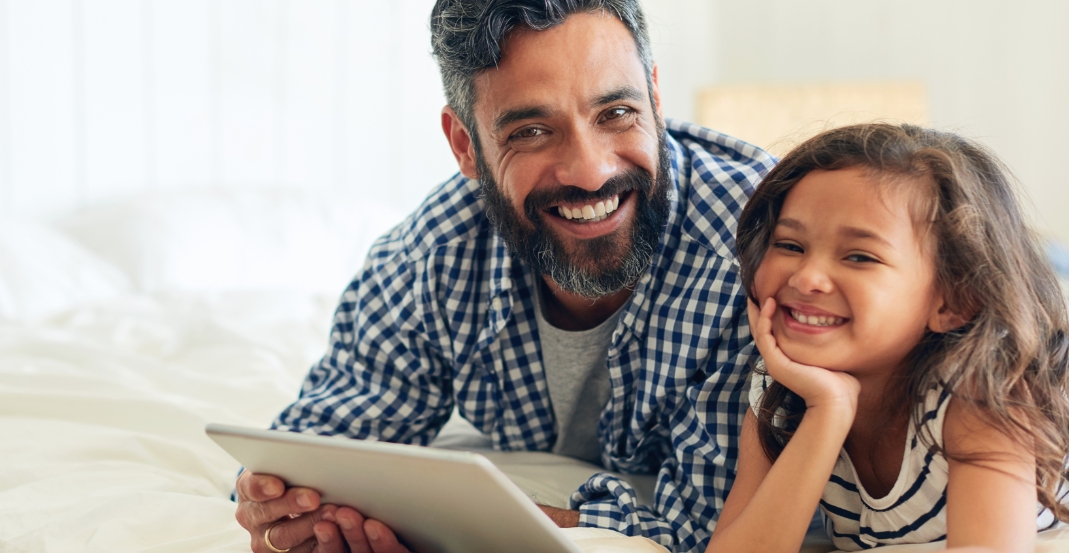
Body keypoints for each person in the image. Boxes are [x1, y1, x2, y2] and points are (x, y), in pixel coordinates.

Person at [233, 1, 774, 552]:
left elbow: (717, 534)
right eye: (533, 130)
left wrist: (471, 525)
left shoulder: (766, 252)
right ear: (465, 145)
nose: (591, 171)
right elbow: (318, 448)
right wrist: (283, 504)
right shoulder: (438, 253)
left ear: (655, 100)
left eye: (615, 113)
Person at [706, 123, 1069, 553]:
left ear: (952, 301)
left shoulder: (982, 392)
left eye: (859, 256)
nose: (806, 279)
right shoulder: (783, 390)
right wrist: (828, 409)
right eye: (790, 245)